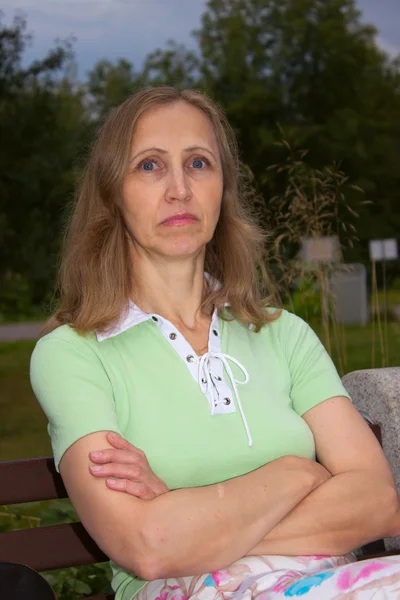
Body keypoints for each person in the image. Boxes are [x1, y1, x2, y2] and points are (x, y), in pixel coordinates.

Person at [30, 87, 400, 600]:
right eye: (150, 166)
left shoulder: (283, 334)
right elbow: (150, 547)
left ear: (222, 189)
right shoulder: (73, 354)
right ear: (113, 194)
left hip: (337, 583)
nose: (179, 189)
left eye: (199, 163)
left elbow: (378, 502)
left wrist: (191, 512)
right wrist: (300, 473)